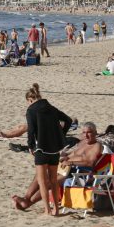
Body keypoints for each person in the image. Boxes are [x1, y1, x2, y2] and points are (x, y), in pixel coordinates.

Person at [12, 122, 102, 210]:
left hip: (79, 173)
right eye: (84, 132)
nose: (86, 135)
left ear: (95, 133)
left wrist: (71, 163)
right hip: (66, 168)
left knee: (49, 182)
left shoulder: (96, 146)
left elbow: (91, 163)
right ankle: (26, 198)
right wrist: (65, 157)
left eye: (89, 132)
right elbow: (73, 154)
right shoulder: (82, 143)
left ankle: (28, 203)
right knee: (40, 175)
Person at [24, 83, 72, 216]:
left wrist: (30, 146)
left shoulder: (31, 110)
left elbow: (31, 131)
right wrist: (61, 134)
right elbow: (68, 120)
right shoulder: (51, 108)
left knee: (42, 182)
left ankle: (47, 210)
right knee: (53, 181)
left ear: (30, 99)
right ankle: (56, 209)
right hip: (54, 150)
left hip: (41, 150)